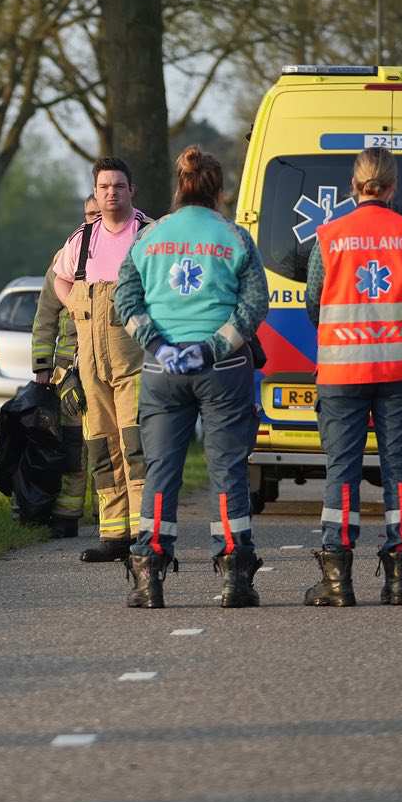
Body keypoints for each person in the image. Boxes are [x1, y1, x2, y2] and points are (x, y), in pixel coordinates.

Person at [113, 146, 271, 608]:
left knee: (161, 470)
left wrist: (160, 346)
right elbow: (253, 306)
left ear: (179, 187)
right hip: (222, 370)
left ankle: (149, 577)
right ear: (218, 190)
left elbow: (125, 299)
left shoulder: (150, 237)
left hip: (163, 371)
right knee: (227, 471)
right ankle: (236, 577)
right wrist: (212, 347)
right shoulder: (234, 237)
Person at [301, 146, 402, 607]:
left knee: (342, 469)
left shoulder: (329, 236)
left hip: (343, 371)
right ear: (392, 185)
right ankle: (400, 576)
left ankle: (337, 579)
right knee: (400, 469)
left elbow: (314, 303)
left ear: (354, 184)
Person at [52, 159, 154, 563]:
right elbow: (58, 277)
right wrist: (75, 301)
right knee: (101, 448)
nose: (111, 193)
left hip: (136, 359)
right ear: (95, 193)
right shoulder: (82, 238)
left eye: (118, 186)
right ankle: (114, 536)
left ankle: (146, 533)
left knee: (137, 446)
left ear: (132, 190)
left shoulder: (150, 233)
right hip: (92, 361)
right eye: (104, 187)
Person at [31, 199, 97, 538]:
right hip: (67, 370)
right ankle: (67, 516)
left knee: (106, 442)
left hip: (107, 365)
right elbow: (45, 316)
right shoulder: (67, 256)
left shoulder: (123, 252)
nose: (95, 220)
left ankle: (109, 518)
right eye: (90, 215)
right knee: (73, 445)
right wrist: (42, 366)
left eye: (100, 215)